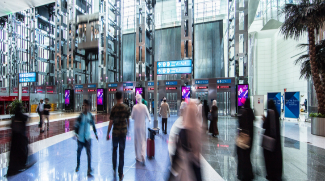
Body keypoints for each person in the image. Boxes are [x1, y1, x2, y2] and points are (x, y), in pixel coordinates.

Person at [168, 100, 202, 181]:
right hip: (195, 171)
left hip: (184, 171)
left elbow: (177, 155)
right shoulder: (198, 130)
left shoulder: (183, 132)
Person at [106, 91, 130, 181]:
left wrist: (108, 133)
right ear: (122, 97)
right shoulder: (126, 107)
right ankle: (121, 173)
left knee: (114, 150)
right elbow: (128, 120)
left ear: (116, 98)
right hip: (123, 133)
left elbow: (111, 122)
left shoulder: (113, 108)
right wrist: (128, 129)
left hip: (115, 133)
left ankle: (114, 168)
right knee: (122, 152)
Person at [74, 99, 98, 175]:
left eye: (85, 105)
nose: (84, 106)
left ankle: (89, 169)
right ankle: (78, 165)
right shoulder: (80, 116)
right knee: (78, 153)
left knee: (89, 154)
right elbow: (76, 125)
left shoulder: (90, 116)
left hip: (88, 138)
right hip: (80, 138)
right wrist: (75, 133)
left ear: (88, 106)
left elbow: (93, 125)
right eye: (83, 105)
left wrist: (96, 134)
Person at [7, 102, 29, 176]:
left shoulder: (13, 118)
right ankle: (22, 165)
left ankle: (13, 168)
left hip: (14, 140)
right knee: (23, 151)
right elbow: (27, 119)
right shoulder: (23, 117)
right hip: (21, 139)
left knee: (14, 154)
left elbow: (11, 126)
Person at [262, 100, 283, 181]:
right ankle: (277, 175)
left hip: (270, 141)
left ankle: (271, 174)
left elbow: (266, 126)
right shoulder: (276, 113)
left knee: (269, 159)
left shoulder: (270, 113)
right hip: (276, 141)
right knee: (276, 158)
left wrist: (264, 120)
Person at [237, 99, 255, 181]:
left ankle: (243, 174)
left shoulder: (243, 111)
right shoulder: (251, 111)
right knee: (247, 155)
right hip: (251, 136)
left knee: (243, 156)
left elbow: (241, 124)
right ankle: (249, 173)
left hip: (244, 136)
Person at [131, 94, 151, 164]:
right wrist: (149, 120)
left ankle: (138, 156)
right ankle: (143, 154)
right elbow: (148, 115)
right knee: (143, 140)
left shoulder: (134, 107)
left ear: (136, 99)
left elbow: (132, 117)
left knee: (137, 141)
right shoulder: (144, 106)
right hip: (143, 126)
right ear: (141, 98)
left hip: (136, 127)